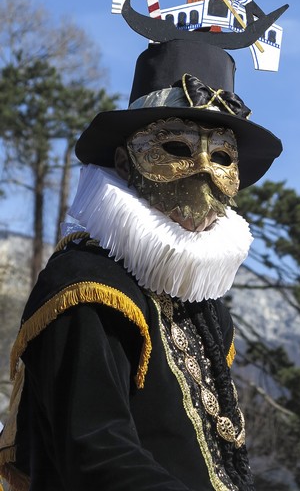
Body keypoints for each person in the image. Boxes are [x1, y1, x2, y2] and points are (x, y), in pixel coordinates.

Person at [0, 38, 282, 490]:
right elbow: (95, 449)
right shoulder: (87, 285)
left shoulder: (205, 310)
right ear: (124, 163)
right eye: (177, 148)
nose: (204, 169)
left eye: (224, 156)